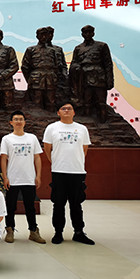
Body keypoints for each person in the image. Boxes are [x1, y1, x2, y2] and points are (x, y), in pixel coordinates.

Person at [43, 101, 94, 245]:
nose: (67, 110)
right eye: (63, 108)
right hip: (59, 171)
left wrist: (75, 162)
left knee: (76, 204)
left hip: (77, 171)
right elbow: (47, 149)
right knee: (58, 204)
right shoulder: (52, 128)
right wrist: (56, 161)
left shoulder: (82, 129)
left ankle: (79, 232)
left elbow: (84, 150)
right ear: (58, 112)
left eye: (69, 108)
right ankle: (58, 232)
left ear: (74, 112)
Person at [0, 110, 45, 244]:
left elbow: (37, 158)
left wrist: (38, 175)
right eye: (16, 119)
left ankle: (33, 231)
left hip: (29, 178)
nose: (18, 121)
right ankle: (10, 230)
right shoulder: (7, 139)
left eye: (21, 119)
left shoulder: (32, 138)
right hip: (13, 178)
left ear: (25, 122)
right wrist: (5, 177)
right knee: (10, 206)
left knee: (30, 206)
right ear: (11, 122)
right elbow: (3, 159)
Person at [69, 25, 114, 123]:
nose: (88, 34)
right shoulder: (78, 48)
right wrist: (76, 68)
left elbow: (108, 64)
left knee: (101, 103)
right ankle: (88, 124)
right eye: (85, 32)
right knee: (86, 102)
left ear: (93, 33)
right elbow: (74, 63)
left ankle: (103, 123)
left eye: (90, 32)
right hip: (84, 78)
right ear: (82, 34)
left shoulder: (101, 46)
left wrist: (110, 80)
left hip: (99, 78)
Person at [21, 27, 60, 112]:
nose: (44, 37)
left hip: (50, 78)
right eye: (41, 35)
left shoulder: (52, 51)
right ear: (37, 36)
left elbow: (56, 66)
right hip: (36, 79)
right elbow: (25, 67)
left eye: (46, 35)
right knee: (36, 101)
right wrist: (30, 79)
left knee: (51, 101)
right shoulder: (31, 50)